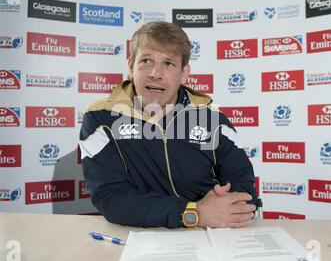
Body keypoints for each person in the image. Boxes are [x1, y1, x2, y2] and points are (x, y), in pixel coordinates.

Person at [79, 21, 257, 229]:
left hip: (207, 237)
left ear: (184, 73)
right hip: (136, 237)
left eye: (168, 64)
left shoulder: (213, 119)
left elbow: (244, 189)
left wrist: (225, 205)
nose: (156, 73)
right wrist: (193, 213)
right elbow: (111, 198)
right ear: (131, 67)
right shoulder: (102, 118)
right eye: (146, 60)